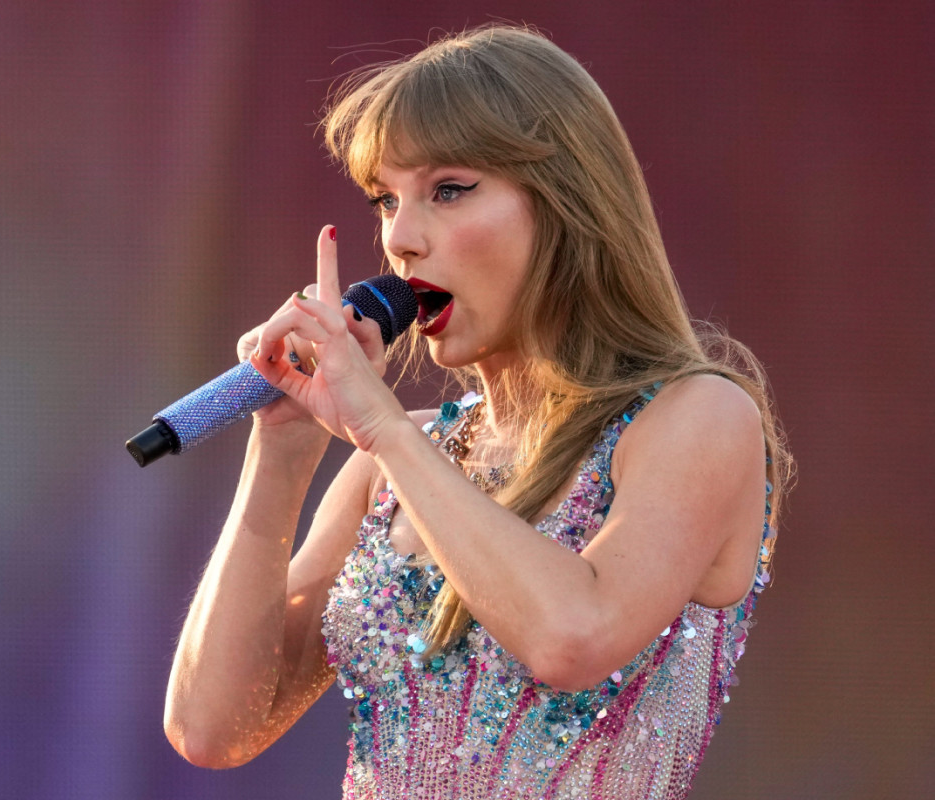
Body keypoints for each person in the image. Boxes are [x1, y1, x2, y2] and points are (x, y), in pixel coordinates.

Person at [162, 24, 792, 799]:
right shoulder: (392, 465)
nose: (399, 238)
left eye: (448, 190)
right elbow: (212, 728)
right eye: (385, 200)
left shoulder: (699, 417)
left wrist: (384, 429)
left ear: (567, 201)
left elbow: (573, 636)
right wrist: (282, 450)